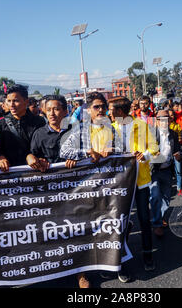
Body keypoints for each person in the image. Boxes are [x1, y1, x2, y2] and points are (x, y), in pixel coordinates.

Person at [59, 92, 113, 288]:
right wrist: (86, 152)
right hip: (83, 188)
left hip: (108, 187)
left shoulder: (112, 128)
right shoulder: (79, 129)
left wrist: (113, 151)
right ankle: (82, 273)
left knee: (107, 226)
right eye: (96, 107)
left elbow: (124, 151)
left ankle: (109, 263)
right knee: (82, 229)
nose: (100, 110)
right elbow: (63, 152)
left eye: (103, 106)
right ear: (88, 110)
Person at [108, 96, 159, 272]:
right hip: (119, 185)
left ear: (121, 111)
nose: (109, 113)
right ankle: (120, 260)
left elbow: (155, 150)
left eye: (111, 110)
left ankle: (148, 254)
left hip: (140, 182)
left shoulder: (142, 126)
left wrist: (144, 155)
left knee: (144, 220)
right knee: (120, 223)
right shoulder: (110, 129)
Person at [0, 84, 46, 171]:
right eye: (9, 101)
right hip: (10, 171)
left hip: (35, 170)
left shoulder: (39, 121)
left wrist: (38, 157)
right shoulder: (1, 123)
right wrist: (1, 158)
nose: (12, 105)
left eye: (16, 101)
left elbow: (42, 146)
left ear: (26, 101)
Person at [149, 109, 182, 237]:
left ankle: (160, 217)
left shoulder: (173, 134)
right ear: (157, 121)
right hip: (154, 170)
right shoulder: (151, 134)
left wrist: (179, 155)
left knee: (166, 199)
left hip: (167, 170)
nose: (164, 123)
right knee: (156, 195)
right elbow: (144, 150)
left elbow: (178, 150)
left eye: (167, 120)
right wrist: (153, 155)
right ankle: (157, 223)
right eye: (161, 120)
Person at [28, 95, 71, 169]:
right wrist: (35, 159)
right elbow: (33, 156)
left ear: (65, 111)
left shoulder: (75, 131)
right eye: (48, 110)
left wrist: (77, 157)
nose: (52, 114)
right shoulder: (39, 134)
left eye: (56, 109)